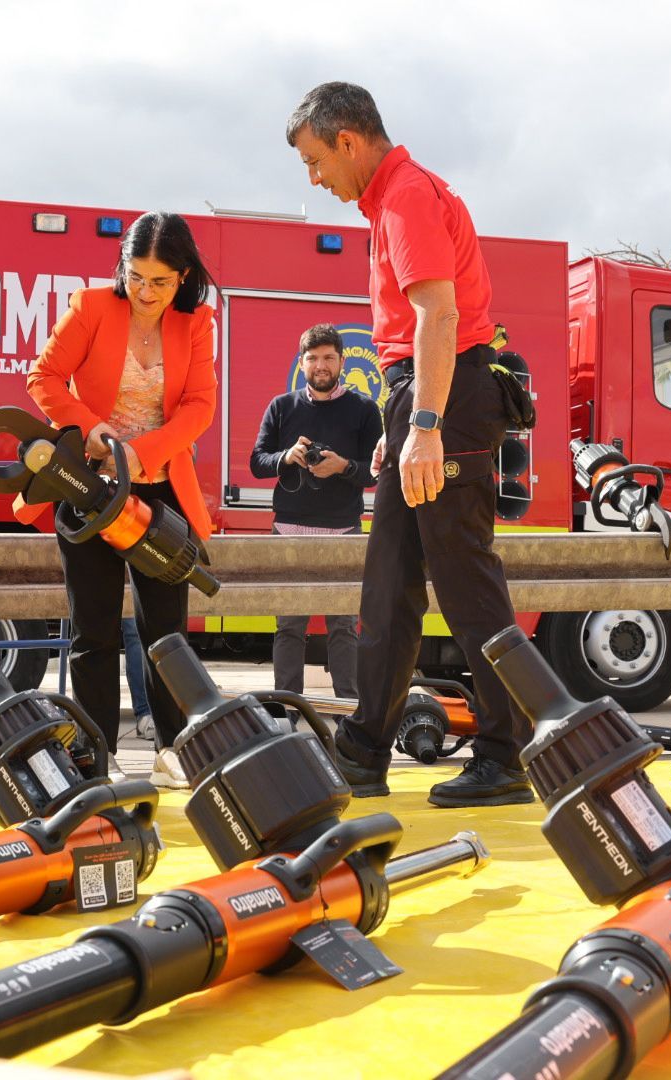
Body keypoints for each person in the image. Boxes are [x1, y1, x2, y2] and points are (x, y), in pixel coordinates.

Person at [286, 82, 534, 807]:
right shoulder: (394, 197)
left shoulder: (406, 197)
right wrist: (403, 427)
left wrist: (423, 427)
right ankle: (364, 751)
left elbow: (438, 314)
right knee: (389, 584)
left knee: (465, 583)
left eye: (314, 161)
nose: (315, 178)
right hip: (425, 402)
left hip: (444, 401)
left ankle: (505, 753)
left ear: (347, 142)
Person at [25, 211, 218, 790]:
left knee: (167, 633)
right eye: (135, 277)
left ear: (183, 276)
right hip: (89, 489)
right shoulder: (90, 307)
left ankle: (174, 751)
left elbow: (200, 407)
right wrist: (96, 433)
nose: (145, 292)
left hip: (160, 496)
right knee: (95, 630)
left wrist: (142, 452)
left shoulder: (198, 321)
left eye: (160, 281)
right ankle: (94, 751)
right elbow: (45, 379)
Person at [250, 323, 382, 699]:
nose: (320, 365)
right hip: (289, 533)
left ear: (341, 361)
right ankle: (286, 709)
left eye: (327, 358)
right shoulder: (281, 407)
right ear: (302, 362)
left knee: (344, 626)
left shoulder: (364, 410)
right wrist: (286, 457)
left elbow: (375, 473)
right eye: (312, 358)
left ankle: (348, 710)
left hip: (343, 532)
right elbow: (258, 462)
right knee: (289, 627)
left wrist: (342, 466)